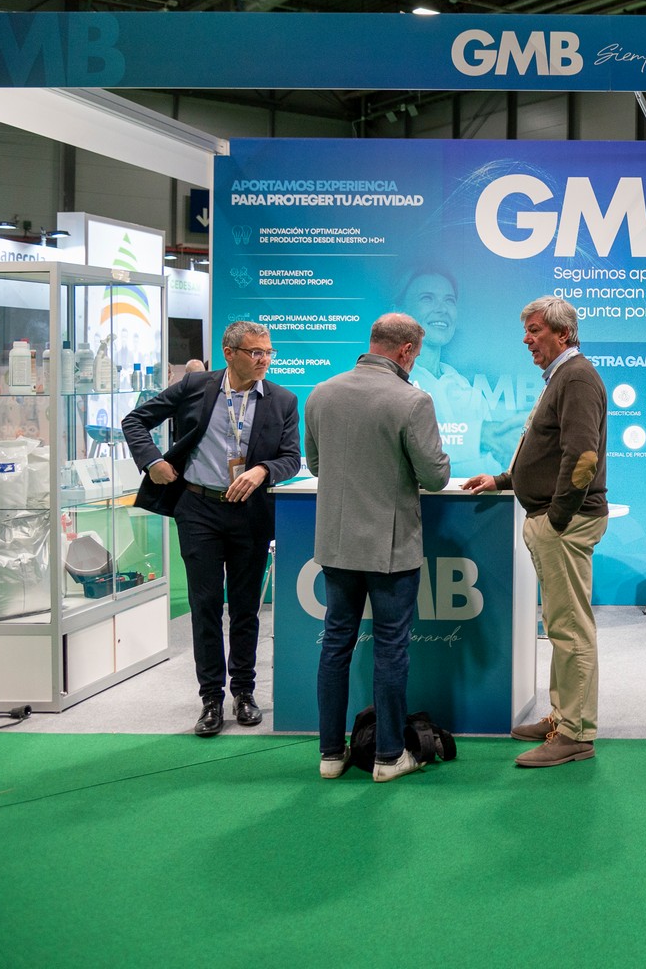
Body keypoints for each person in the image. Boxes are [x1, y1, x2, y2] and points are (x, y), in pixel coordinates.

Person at [122, 322, 300, 737]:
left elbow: (291, 458)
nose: (264, 360)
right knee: (204, 605)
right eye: (255, 352)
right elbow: (135, 421)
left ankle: (244, 692)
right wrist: (153, 461)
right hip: (198, 507)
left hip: (249, 512)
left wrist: (262, 470)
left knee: (245, 607)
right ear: (229, 353)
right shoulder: (195, 387)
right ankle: (211, 699)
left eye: (268, 352)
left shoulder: (283, 400)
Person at [462, 296, 609, 767]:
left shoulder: (576, 377)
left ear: (563, 334)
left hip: (563, 523)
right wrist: (505, 480)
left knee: (570, 630)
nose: (526, 339)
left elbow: (582, 457)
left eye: (535, 330)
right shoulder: (562, 376)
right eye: (526, 330)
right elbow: (547, 451)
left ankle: (575, 733)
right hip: (555, 519)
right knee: (563, 627)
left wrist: (557, 518)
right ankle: (563, 718)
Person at [307, 313, 451, 782]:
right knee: (390, 649)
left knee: (335, 645)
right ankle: (389, 757)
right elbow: (436, 476)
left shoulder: (321, 393)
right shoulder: (413, 400)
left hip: (336, 545)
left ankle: (331, 755)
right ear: (406, 350)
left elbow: (316, 465)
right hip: (390, 548)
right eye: (416, 355)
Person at [396, 265, 514, 476]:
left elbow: (493, 466)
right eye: (427, 298)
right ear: (399, 311)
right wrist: (479, 437)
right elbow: (399, 448)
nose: (442, 309)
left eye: (449, 300)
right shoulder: (390, 382)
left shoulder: (467, 391)